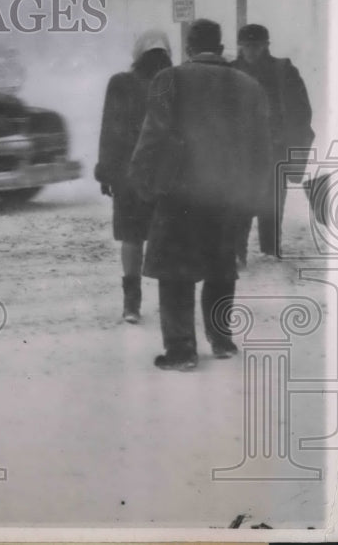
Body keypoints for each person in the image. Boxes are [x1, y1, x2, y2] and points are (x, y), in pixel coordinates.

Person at [129, 19, 271, 371]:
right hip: (227, 192)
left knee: (176, 272)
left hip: (180, 193)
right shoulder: (248, 85)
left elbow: (152, 137)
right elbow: (261, 147)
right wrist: (252, 193)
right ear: (221, 48)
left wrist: (143, 182)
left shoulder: (169, 79)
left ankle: (181, 350)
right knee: (221, 266)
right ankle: (221, 340)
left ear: (189, 48)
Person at [95, 30, 174, 323]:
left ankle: (132, 303)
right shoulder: (174, 81)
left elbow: (109, 129)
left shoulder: (121, 83)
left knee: (131, 238)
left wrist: (106, 170)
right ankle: (170, 304)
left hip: (128, 173)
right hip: (166, 174)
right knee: (168, 239)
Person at [232, 24, 314, 264]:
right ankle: (239, 251)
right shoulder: (232, 71)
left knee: (272, 200)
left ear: (266, 45)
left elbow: (301, 110)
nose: (252, 51)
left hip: (273, 147)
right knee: (240, 202)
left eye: (256, 46)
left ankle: (270, 250)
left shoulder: (283, 70)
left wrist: (289, 139)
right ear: (240, 47)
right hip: (241, 149)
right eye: (247, 46)